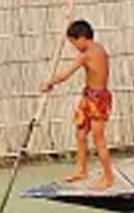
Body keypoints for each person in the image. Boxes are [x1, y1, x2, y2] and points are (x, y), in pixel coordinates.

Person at [41, 20, 114, 190]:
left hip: (98, 100)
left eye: (74, 42)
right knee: (80, 134)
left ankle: (109, 177)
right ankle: (81, 170)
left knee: (99, 140)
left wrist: (49, 83)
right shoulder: (96, 48)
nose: (74, 47)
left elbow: (65, 75)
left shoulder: (90, 54)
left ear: (82, 38)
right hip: (88, 97)